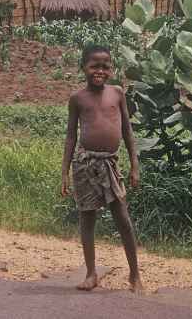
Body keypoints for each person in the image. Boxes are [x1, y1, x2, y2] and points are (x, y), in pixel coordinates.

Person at [60, 44, 142, 292]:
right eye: (94, 65)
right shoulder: (77, 98)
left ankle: (135, 275)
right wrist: (64, 172)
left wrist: (134, 165)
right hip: (85, 165)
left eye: (106, 66)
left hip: (110, 164)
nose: (100, 70)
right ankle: (91, 273)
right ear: (83, 67)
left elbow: (127, 130)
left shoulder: (117, 93)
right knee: (87, 218)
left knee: (123, 219)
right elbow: (71, 136)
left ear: (112, 69)